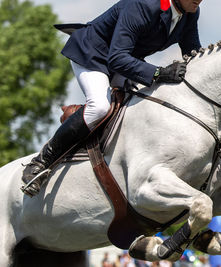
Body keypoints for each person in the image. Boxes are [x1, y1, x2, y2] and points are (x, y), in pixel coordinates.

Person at [21, 0, 203, 197]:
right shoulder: (143, 5)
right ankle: (40, 163)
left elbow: (193, 53)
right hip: (93, 54)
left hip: (124, 61)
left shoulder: (190, 13)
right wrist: (159, 73)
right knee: (99, 107)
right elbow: (116, 57)